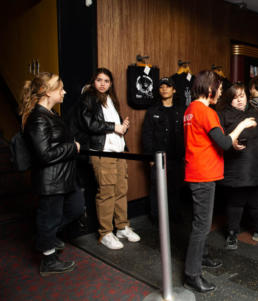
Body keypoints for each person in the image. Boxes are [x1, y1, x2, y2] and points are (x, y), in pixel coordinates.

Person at [183, 70, 256, 293]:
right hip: (203, 174)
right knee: (201, 226)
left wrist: (228, 141)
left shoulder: (190, 110)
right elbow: (223, 143)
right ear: (210, 88)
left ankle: (202, 257)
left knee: (200, 222)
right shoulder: (206, 112)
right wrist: (242, 126)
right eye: (220, 89)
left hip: (197, 172)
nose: (221, 92)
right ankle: (192, 274)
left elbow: (212, 141)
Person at [21, 72, 84, 276]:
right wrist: (72, 147)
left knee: (75, 209)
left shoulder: (51, 114)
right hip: (51, 180)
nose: (64, 92)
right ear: (47, 92)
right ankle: (48, 261)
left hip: (65, 178)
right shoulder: (37, 118)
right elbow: (44, 154)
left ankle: (44, 236)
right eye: (60, 89)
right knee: (50, 218)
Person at [78, 68, 140, 250]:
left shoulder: (111, 100)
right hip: (102, 152)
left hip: (118, 151)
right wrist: (115, 127)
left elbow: (114, 127)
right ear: (93, 81)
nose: (103, 83)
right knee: (106, 192)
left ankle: (122, 227)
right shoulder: (88, 97)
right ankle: (105, 233)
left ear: (111, 83)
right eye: (99, 80)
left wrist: (123, 127)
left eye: (106, 80)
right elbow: (89, 124)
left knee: (121, 190)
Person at [217, 83, 258, 250]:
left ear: (247, 96)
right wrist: (232, 144)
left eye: (242, 96)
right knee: (235, 203)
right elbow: (219, 141)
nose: (239, 100)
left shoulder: (257, 112)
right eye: (235, 98)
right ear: (229, 100)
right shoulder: (223, 115)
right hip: (237, 169)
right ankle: (231, 233)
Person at [142, 77, 184, 224]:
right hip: (159, 158)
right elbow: (146, 135)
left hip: (177, 158)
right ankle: (156, 218)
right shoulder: (152, 111)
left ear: (174, 90)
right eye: (161, 87)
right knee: (157, 190)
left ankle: (174, 217)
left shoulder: (181, 111)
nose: (164, 89)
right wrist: (150, 158)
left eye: (168, 86)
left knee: (175, 189)